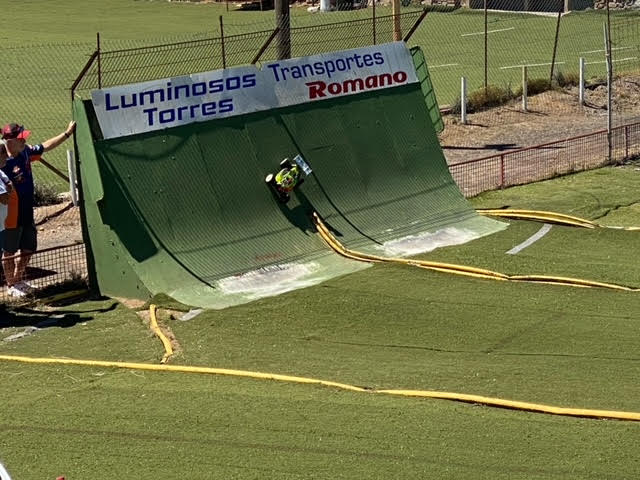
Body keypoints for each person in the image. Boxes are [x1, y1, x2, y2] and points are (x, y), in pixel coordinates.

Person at [1, 121, 76, 297]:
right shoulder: (2, 161)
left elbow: (46, 145)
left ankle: (18, 280)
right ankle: (11, 285)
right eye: (21, 138)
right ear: (10, 141)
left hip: (28, 211)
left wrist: (66, 134)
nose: (24, 140)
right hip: (10, 216)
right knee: (9, 251)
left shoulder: (26, 152)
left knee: (28, 248)